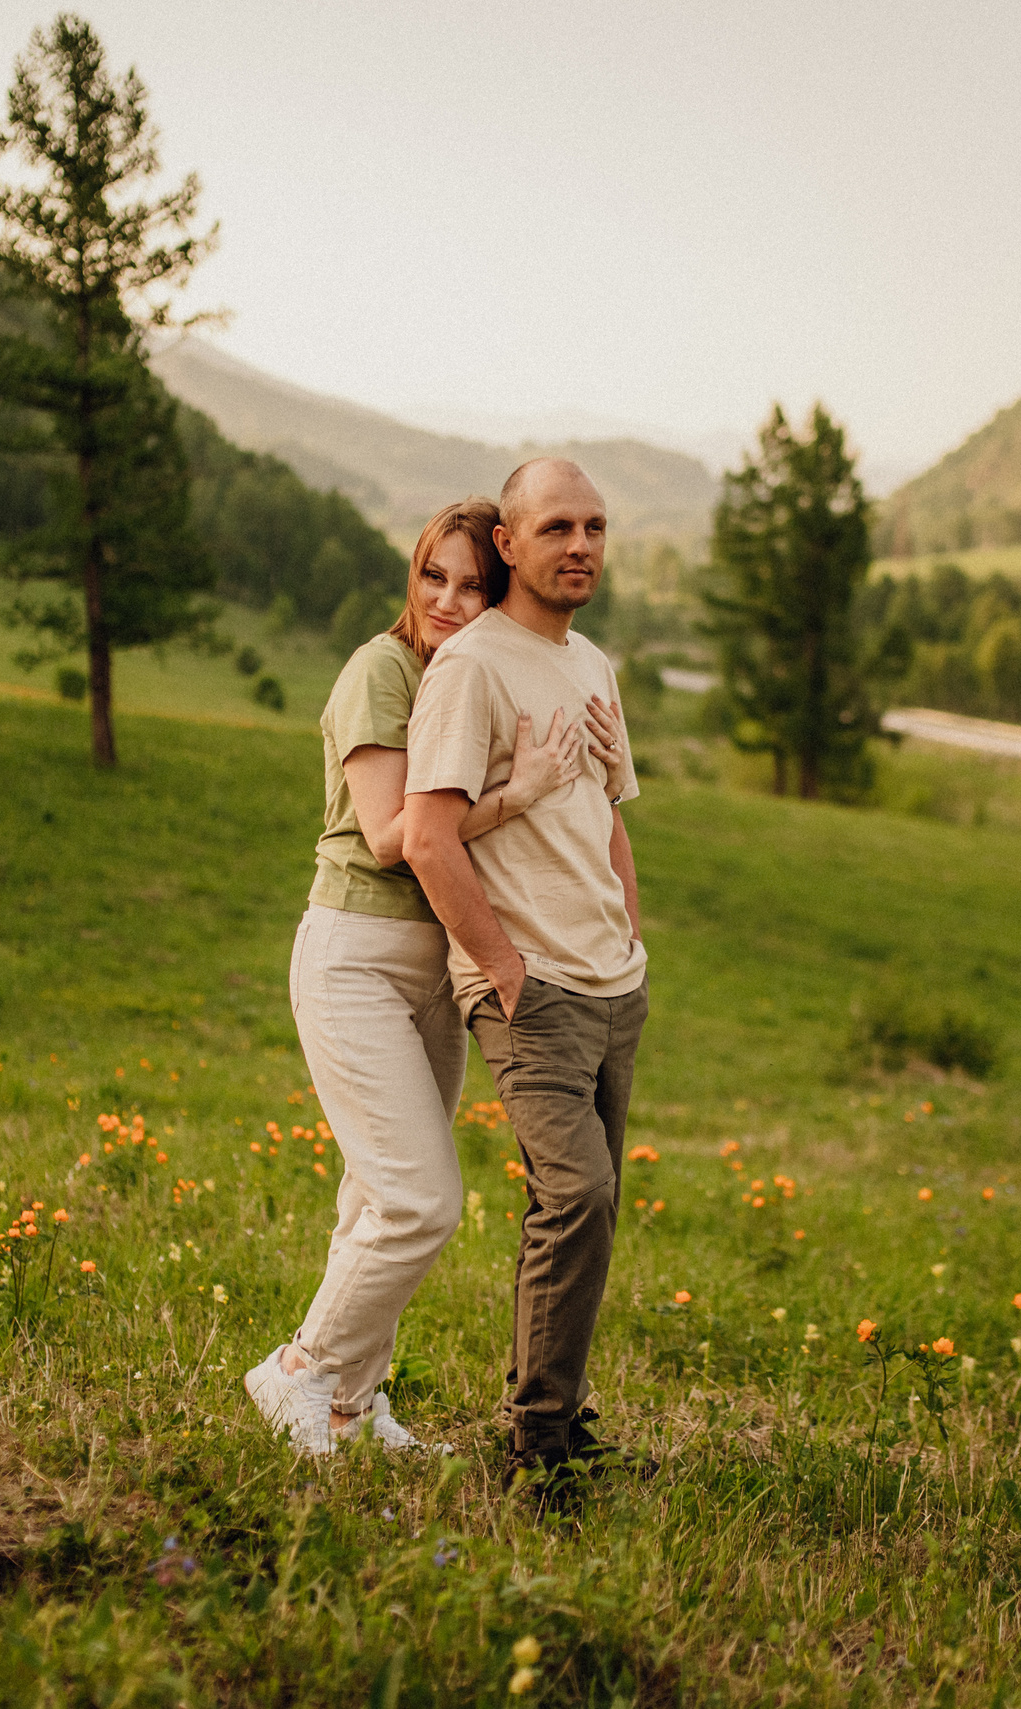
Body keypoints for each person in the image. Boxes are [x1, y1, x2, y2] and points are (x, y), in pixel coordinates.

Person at [246, 497, 627, 1455]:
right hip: (357, 956)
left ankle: (351, 1404)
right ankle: (298, 1368)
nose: (452, 601)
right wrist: (516, 793)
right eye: (434, 578)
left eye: (473, 585)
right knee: (422, 1199)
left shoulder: (471, 674)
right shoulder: (384, 668)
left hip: (437, 969)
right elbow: (392, 836)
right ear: (411, 579)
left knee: (371, 1199)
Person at [401, 458, 648, 1504]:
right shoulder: (474, 669)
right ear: (509, 541)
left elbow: (609, 812)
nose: (580, 544)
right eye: (557, 526)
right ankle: (538, 1449)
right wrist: (501, 967)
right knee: (574, 1190)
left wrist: (633, 938)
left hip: (613, 983)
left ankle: (560, 1416)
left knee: (592, 1203)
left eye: (593, 526)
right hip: (533, 985)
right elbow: (426, 833)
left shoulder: (591, 660)